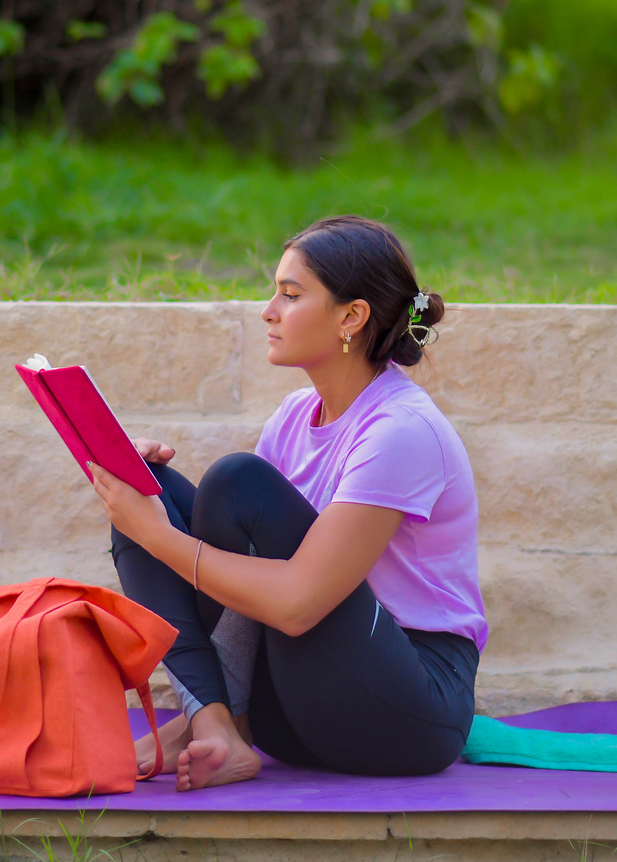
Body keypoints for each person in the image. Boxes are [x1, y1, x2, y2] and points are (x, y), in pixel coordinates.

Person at [87, 215, 486, 792]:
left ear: (351, 317)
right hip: (300, 709)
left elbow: (299, 603)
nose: (268, 310)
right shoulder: (295, 417)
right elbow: (246, 566)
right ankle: (216, 721)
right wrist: (146, 498)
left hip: (406, 711)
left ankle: (211, 719)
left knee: (231, 483)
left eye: (290, 295)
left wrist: (158, 537)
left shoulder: (401, 430)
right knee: (153, 487)